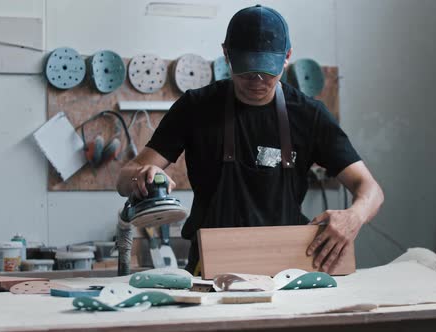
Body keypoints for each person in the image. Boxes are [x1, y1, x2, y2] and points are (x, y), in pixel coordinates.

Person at [117, 4, 384, 274]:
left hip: (290, 269)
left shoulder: (309, 115)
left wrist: (354, 216)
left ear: (287, 56)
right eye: (246, 70)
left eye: (267, 70)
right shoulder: (196, 107)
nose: (256, 79)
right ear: (226, 54)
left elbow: (370, 189)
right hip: (211, 269)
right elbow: (124, 178)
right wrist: (141, 174)